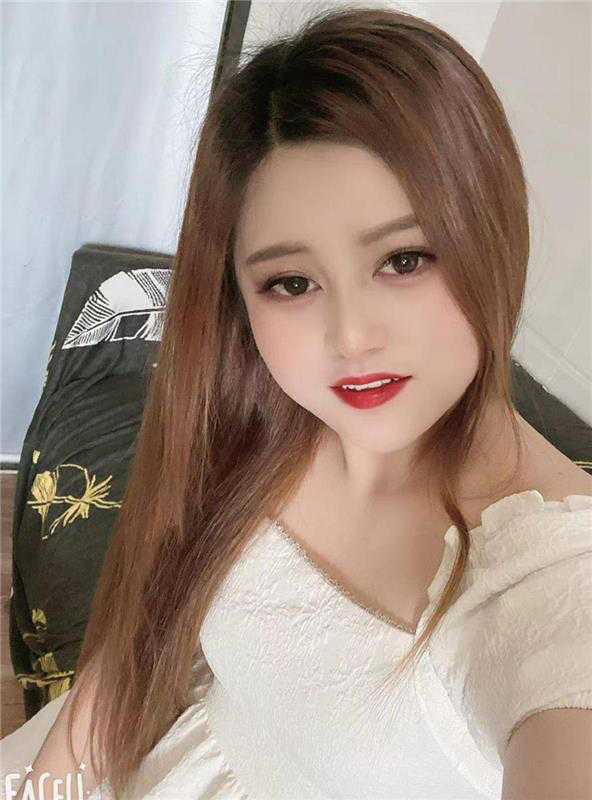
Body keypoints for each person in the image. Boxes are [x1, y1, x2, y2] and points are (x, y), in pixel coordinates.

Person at [2, 5, 592, 800]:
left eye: (404, 259)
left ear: (491, 229)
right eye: (291, 282)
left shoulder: (551, 589)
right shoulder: (260, 414)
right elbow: (131, 659)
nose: (351, 337)